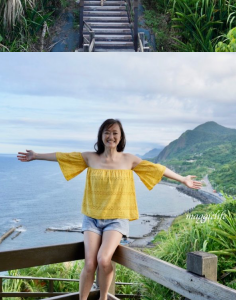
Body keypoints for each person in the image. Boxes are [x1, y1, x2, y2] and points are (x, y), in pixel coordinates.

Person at [16, 120, 201, 300]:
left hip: (116, 219)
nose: (111, 136)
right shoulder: (90, 157)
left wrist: (183, 179)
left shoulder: (129, 159)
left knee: (104, 260)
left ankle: (103, 299)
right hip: (92, 218)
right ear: (101, 135)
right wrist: (36, 155)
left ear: (120, 137)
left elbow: (158, 169)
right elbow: (62, 156)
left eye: (115, 133)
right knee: (89, 263)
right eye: (107, 132)